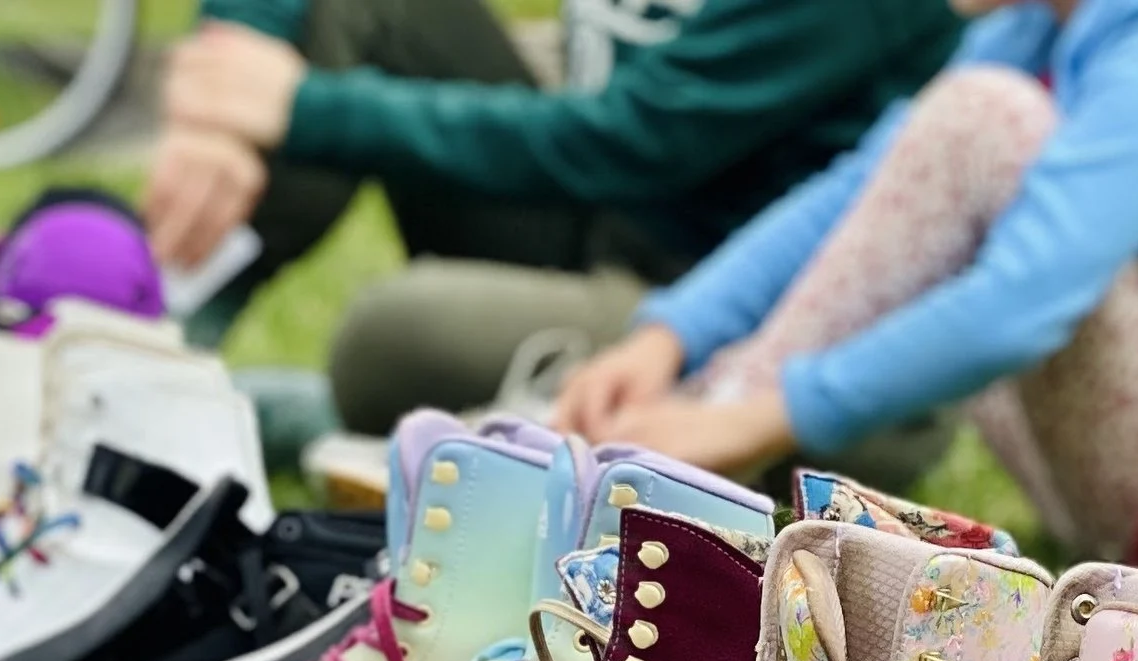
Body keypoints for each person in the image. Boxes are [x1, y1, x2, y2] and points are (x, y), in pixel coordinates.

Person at [555, 0, 1138, 585]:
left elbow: (1024, 303)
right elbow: (858, 195)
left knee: (984, 123)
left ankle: (685, 459)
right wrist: (667, 336)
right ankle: (680, 432)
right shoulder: (1040, 29)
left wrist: (765, 412)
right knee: (955, 134)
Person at [144, 0, 964, 436]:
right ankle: (149, 350)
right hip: (601, 219)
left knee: (388, 337)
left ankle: (301, 414)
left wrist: (300, 106)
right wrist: (227, 88)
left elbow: (634, 141)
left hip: (729, 312)